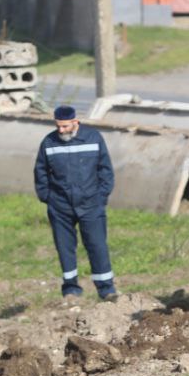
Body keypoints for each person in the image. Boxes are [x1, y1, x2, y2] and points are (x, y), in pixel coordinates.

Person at [34, 105, 118, 301]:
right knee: (65, 247)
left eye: (65, 126)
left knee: (97, 245)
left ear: (75, 122)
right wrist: (48, 197)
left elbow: (105, 170)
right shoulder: (49, 142)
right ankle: (71, 289)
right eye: (58, 126)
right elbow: (41, 172)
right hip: (60, 206)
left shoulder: (93, 138)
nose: (61, 131)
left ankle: (106, 289)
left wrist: (101, 196)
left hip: (91, 204)